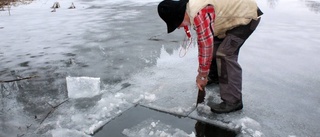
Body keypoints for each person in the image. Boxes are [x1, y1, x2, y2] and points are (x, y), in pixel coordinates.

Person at [157, 0, 263, 113]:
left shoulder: (199, 12)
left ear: (181, 16)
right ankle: (215, 77)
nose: (179, 28)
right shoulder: (192, 10)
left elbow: (205, 46)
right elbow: (205, 42)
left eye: (177, 24)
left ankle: (233, 101)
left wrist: (202, 75)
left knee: (225, 54)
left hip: (246, 18)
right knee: (213, 49)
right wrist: (204, 72)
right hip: (226, 21)